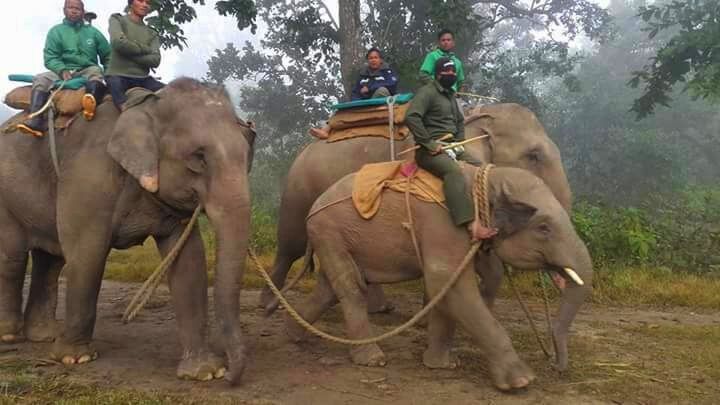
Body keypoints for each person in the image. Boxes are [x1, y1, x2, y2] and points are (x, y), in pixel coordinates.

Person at [406, 57, 495, 241]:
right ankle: (471, 225)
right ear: (438, 73)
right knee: (453, 172)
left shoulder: (450, 96)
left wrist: (460, 142)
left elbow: (460, 121)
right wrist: (429, 143)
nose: (452, 74)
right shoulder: (427, 92)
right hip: (430, 151)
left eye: (454, 71)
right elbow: (412, 117)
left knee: (482, 167)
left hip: (454, 146)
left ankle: (487, 213)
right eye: (448, 71)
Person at [17, 0, 111, 136]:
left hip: (87, 68)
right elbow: (50, 57)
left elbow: (107, 56)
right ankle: (36, 120)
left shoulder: (94, 32)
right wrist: (61, 70)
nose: (74, 10)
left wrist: (110, 73)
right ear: (64, 10)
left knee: (96, 72)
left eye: (77, 8)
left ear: (83, 12)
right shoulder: (55, 32)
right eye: (70, 8)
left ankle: (90, 105)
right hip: (62, 70)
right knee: (41, 78)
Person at [309, 47, 398, 139]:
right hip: (365, 102)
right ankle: (325, 130)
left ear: (380, 59)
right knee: (342, 107)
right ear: (368, 60)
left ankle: (370, 111)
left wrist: (370, 88)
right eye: (371, 58)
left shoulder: (388, 71)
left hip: (380, 101)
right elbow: (356, 91)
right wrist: (355, 103)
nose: (373, 60)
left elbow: (391, 83)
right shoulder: (363, 75)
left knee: (382, 90)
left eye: (376, 57)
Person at [105, 0, 164, 110]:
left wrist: (126, 52)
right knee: (123, 106)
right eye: (141, 1)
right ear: (131, 3)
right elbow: (118, 43)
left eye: (148, 2)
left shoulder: (152, 33)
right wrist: (145, 49)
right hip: (117, 76)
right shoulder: (117, 19)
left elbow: (155, 60)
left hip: (143, 78)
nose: (145, 5)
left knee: (170, 95)